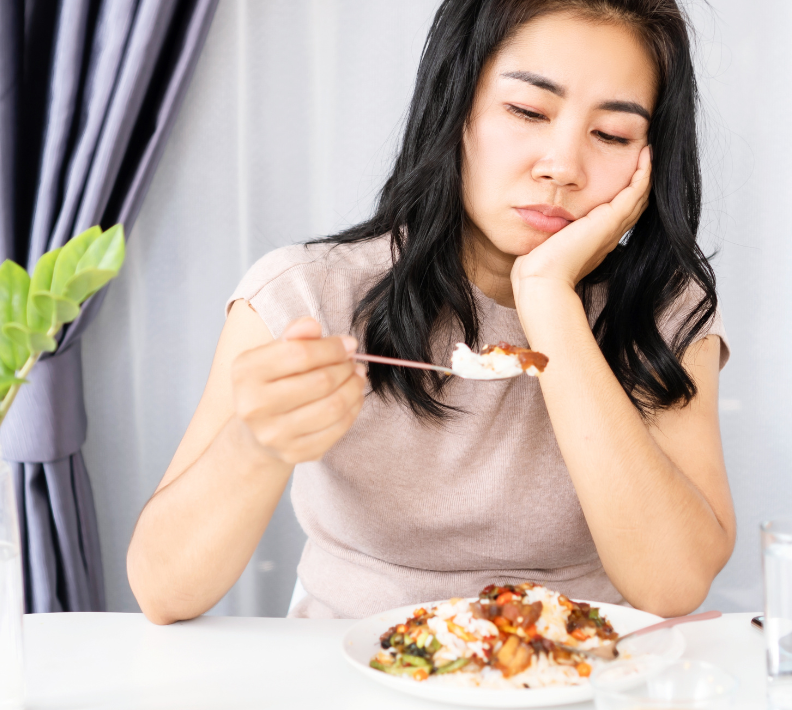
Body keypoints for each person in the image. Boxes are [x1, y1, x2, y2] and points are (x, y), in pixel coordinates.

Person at [127, 0, 735, 623]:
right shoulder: (310, 294)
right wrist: (254, 445)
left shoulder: (665, 312)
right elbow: (164, 592)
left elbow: (675, 586)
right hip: (353, 671)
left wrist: (550, 295)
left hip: (577, 672)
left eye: (611, 134)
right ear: (456, 104)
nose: (562, 168)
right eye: (527, 111)